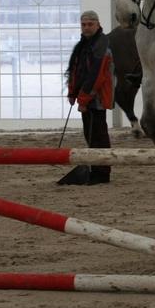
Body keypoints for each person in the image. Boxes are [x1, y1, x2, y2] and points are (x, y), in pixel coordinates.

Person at [57, 10, 115, 186]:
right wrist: (72, 92)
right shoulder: (82, 46)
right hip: (86, 98)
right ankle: (96, 169)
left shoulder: (101, 46)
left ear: (98, 25)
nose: (87, 27)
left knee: (99, 136)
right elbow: (75, 70)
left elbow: (96, 76)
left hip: (97, 99)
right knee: (90, 134)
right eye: (83, 24)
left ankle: (102, 173)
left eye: (90, 24)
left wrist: (82, 99)